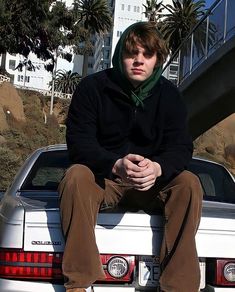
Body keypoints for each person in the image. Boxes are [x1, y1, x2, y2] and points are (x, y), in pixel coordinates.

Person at [59, 22, 203, 292]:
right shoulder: (93, 88)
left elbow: (181, 147)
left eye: (147, 54)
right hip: (105, 181)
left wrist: (158, 168)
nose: (139, 60)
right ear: (119, 55)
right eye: (131, 53)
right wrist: (115, 164)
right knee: (76, 175)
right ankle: (78, 283)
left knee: (189, 182)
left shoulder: (170, 96)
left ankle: (180, 287)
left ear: (157, 60)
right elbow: (79, 143)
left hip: (153, 185)